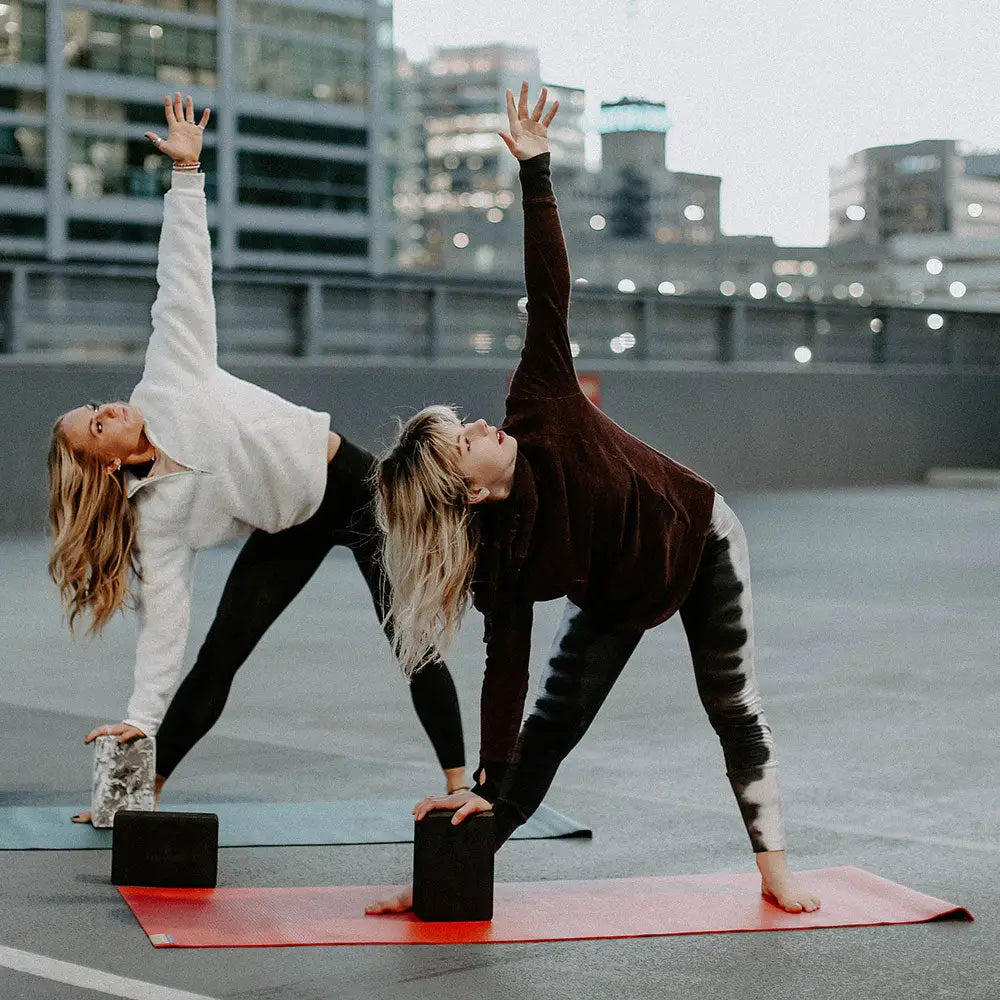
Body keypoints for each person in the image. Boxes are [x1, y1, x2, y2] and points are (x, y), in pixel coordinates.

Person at [370, 84, 820, 915]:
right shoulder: (497, 558)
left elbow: (549, 291)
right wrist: (482, 788)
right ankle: (446, 871)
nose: (476, 423)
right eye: (462, 439)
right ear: (470, 491)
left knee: (731, 705)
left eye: (465, 423)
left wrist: (536, 175)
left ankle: (778, 874)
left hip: (701, 536)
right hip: (618, 596)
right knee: (549, 732)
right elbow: (505, 675)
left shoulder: (538, 401)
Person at [47, 95, 469, 823]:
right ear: (105, 465)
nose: (108, 410)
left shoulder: (169, 375)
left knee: (410, 642)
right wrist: (139, 724)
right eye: (95, 428)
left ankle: (464, 788)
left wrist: (187, 174)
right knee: (220, 655)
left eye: (96, 406)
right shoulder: (158, 522)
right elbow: (164, 627)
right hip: (288, 524)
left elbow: (182, 282)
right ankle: (140, 790)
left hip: (353, 486)